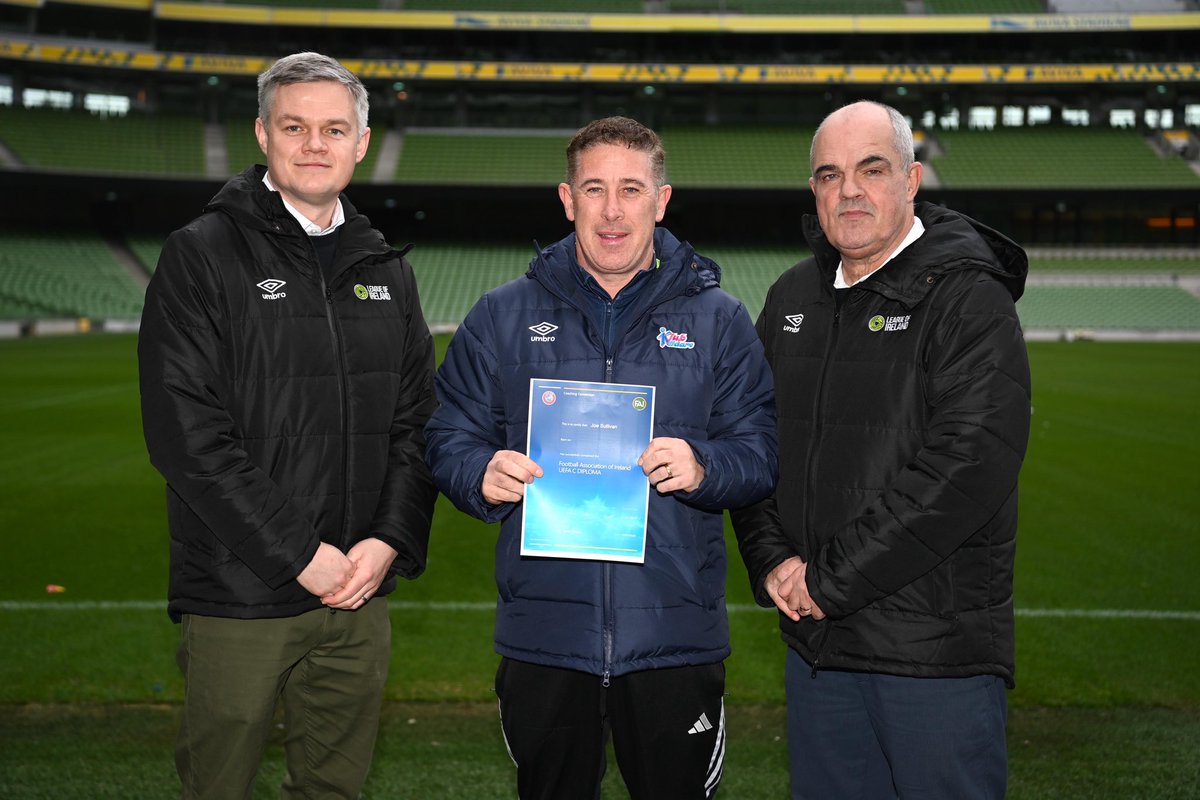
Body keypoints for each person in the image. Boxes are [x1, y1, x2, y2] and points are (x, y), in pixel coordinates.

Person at [424, 116, 777, 799]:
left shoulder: (720, 321)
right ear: (566, 199)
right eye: (594, 189)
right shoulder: (501, 315)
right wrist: (480, 473)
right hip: (546, 639)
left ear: (661, 200)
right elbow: (447, 435)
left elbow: (760, 453)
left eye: (630, 189)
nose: (613, 211)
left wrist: (705, 468)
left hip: (675, 638)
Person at [138, 51, 437, 800]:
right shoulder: (201, 254)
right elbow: (186, 434)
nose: (314, 144)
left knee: (336, 790)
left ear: (361, 143)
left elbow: (417, 424)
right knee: (219, 787)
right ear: (262, 136)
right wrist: (300, 553)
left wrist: (387, 542)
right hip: (242, 592)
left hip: (359, 593)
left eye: (334, 128)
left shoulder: (385, 267)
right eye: (294, 126)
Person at [731, 100, 1031, 800]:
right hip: (818, 655)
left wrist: (824, 581)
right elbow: (752, 442)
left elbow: (964, 468)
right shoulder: (791, 296)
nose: (850, 191)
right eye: (830, 175)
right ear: (814, 191)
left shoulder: (969, 300)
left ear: (911, 179)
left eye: (872, 169)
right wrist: (772, 559)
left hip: (931, 659)